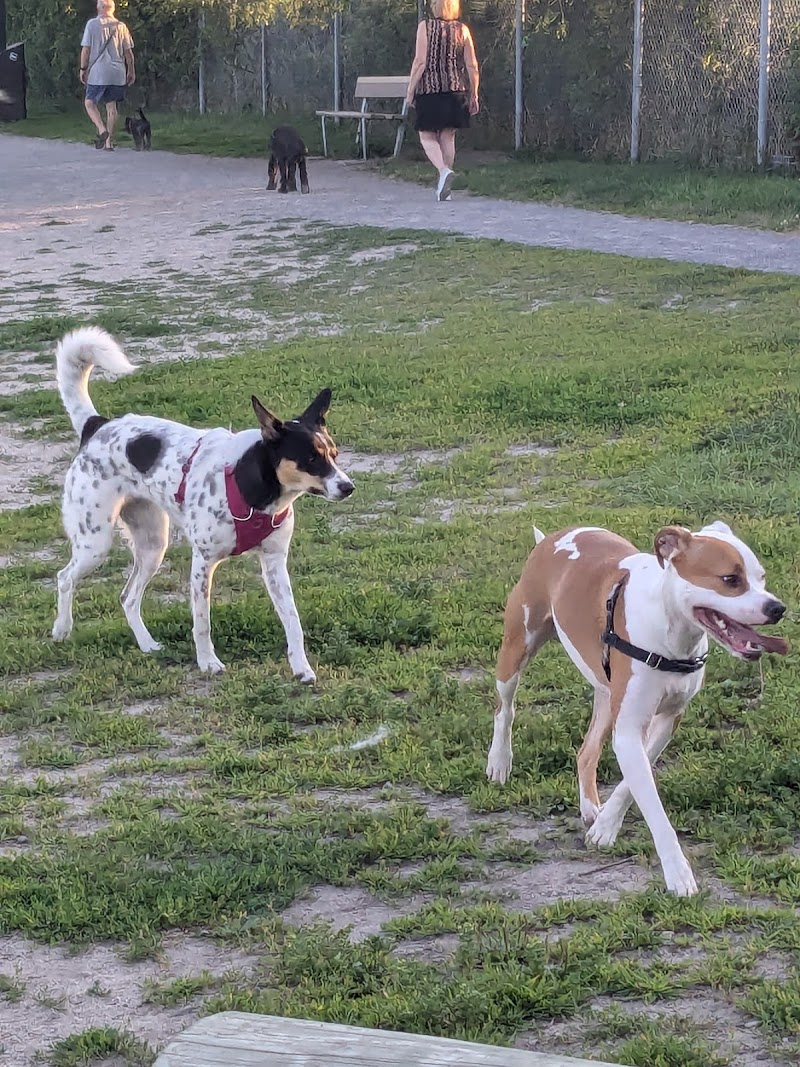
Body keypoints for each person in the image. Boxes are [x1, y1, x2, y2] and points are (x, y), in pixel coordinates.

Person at [405, 0, 479, 202]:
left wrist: (410, 90)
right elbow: (472, 64)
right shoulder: (462, 29)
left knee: (426, 136)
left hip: (430, 90)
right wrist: (474, 93)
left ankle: (443, 171)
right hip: (456, 90)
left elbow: (420, 62)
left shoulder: (425, 27)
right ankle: (444, 186)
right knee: (448, 136)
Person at [79, 0, 135, 151]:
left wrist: (83, 69)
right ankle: (109, 143)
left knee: (89, 103)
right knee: (111, 106)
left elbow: (86, 50)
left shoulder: (92, 24)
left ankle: (102, 130)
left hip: (98, 72)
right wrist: (131, 71)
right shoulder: (121, 26)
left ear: (101, 7)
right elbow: (129, 53)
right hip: (117, 73)